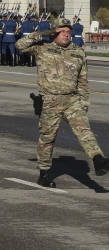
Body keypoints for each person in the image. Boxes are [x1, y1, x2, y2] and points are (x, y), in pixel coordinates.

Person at [16, 17, 109, 187]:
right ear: (54, 33)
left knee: (84, 131)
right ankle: (44, 172)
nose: (67, 34)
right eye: (62, 31)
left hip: (72, 100)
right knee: (47, 138)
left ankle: (98, 159)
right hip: (50, 101)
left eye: (69, 31)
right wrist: (43, 33)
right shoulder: (42, 48)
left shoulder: (78, 51)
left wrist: (84, 100)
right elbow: (20, 45)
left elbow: (82, 79)